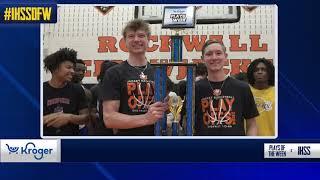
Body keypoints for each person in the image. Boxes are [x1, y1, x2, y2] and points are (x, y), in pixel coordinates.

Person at [101, 19, 167, 136]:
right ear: (124, 41)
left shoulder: (159, 73)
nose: (136, 39)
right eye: (131, 36)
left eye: (141, 35)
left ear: (148, 39)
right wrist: (146, 118)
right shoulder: (114, 73)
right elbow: (109, 118)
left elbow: (168, 108)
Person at [195, 40, 259, 136]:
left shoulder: (242, 88)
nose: (214, 57)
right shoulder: (195, 88)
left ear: (225, 57)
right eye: (209, 54)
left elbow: (251, 124)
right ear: (202, 59)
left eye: (218, 53)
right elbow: (184, 120)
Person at [43, 48, 89, 136]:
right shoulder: (41, 90)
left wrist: (69, 117)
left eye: (73, 68)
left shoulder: (77, 89)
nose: (72, 71)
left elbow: (86, 118)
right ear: (55, 68)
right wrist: (46, 119)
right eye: (68, 67)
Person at [247, 58, 275, 136]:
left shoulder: (277, 92)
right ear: (251, 73)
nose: (260, 72)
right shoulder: (244, 91)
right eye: (256, 70)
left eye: (263, 70)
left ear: (269, 73)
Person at [90, 60, 118, 135]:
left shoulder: (121, 88)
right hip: (102, 129)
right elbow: (92, 111)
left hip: (121, 128)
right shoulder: (96, 89)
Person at [72, 59, 92, 135]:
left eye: (83, 71)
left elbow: (89, 114)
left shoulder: (87, 92)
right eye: (78, 70)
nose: (81, 73)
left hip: (82, 129)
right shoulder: (61, 88)